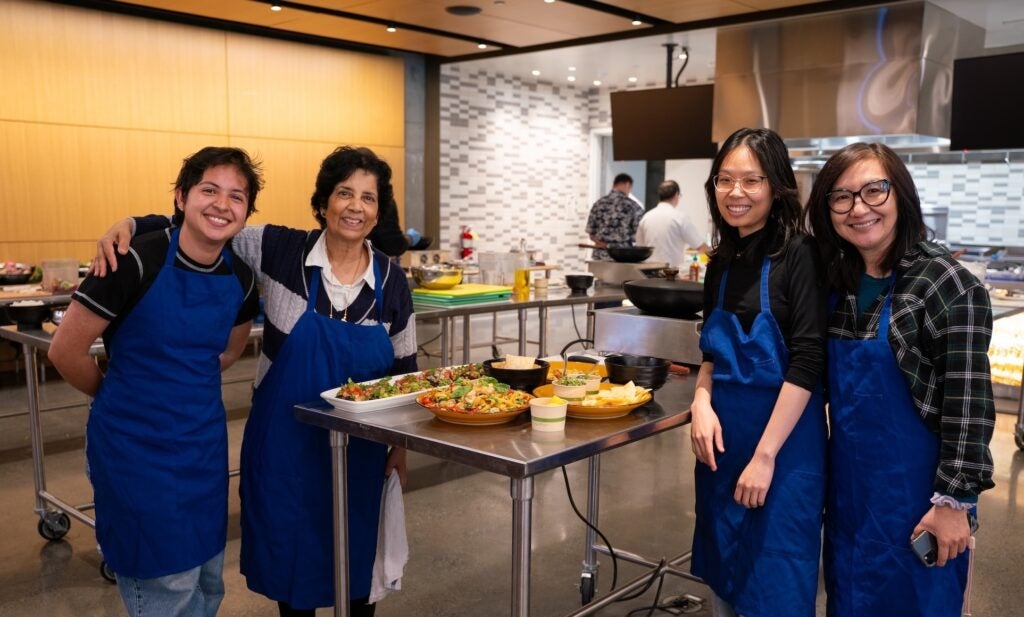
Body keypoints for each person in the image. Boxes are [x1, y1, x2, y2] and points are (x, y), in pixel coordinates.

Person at [95, 146, 417, 617]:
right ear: (323, 201)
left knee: (357, 567)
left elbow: (405, 372)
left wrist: (401, 448)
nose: (355, 206)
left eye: (368, 198)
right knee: (292, 562)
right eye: (344, 193)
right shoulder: (279, 249)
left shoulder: (391, 280)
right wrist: (133, 223)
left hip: (361, 453)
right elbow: (208, 222)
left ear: (378, 211)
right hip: (285, 447)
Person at [49, 147, 264, 617]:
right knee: (164, 586)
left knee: (207, 584)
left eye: (236, 196)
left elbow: (227, 352)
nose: (221, 205)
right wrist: (117, 394)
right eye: (209, 189)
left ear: (247, 212)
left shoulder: (242, 279)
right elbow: (64, 351)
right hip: (135, 451)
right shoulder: (132, 261)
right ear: (182, 196)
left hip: (202, 448)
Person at [806, 142, 995, 617]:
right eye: (841, 197)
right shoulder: (839, 282)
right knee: (849, 600)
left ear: (901, 194)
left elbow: (968, 408)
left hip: (921, 502)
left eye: (874, 190)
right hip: (852, 499)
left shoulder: (945, 283)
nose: (859, 208)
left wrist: (955, 502)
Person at [687, 128, 827, 617]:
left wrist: (765, 457)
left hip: (783, 451)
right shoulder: (720, 262)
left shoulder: (800, 255)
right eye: (725, 181)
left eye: (751, 180)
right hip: (721, 448)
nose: (736, 193)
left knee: (776, 581)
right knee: (724, 572)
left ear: (776, 186)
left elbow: (809, 360)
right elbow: (711, 353)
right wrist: (700, 404)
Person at [635, 179, 709, 266]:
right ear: (676, 195)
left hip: (648, 272)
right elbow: (700, 246)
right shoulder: (680, 218)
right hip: (671, 273)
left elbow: (639, 247)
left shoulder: (646, 217)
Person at [585, 172, 642, 261]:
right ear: (627, 184)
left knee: (599, 276)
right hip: (622, 256)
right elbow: (639, 235)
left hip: (600, 256)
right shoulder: (633, 206)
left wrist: (603, 244)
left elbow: (591, 234)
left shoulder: (598, 204)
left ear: (614, 184)